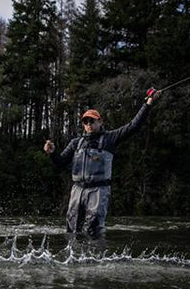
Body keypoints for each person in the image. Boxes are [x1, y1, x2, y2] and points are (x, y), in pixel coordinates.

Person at [43, 91, 160, 239]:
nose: (89, 124)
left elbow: (133, 126)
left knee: (94, 227)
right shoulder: (75, 143)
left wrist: (148, 103)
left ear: (100, 122)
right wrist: (52, 153)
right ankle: (73, 257)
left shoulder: (110, 138)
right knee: (72, 227)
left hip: (99, 189)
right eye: (86, 122)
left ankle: (97, 259)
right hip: (77, 189)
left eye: (92, 121)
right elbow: (60, 162)